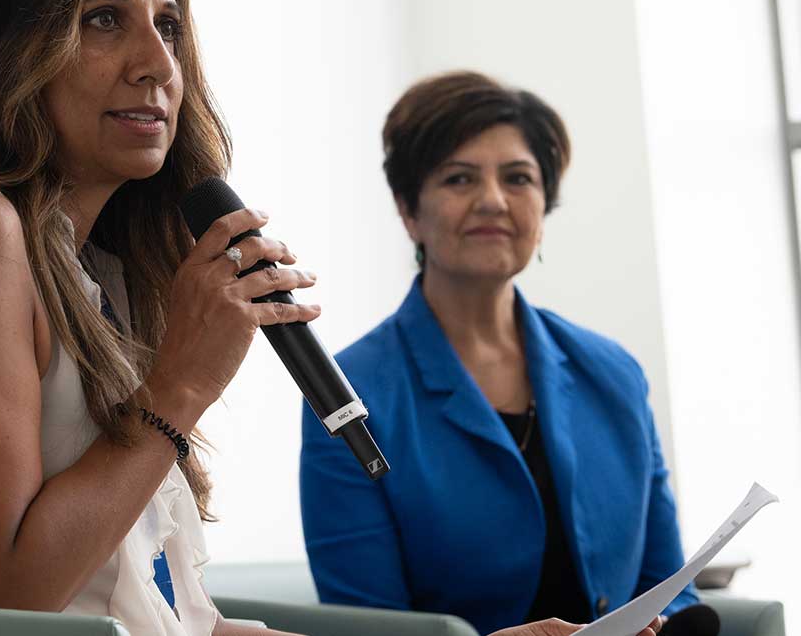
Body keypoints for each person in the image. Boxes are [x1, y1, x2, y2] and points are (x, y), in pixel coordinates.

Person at [0, 0, 663, 636]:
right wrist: (179, 386)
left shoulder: (100, 276)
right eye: (105, 18)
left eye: (170, 25)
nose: (158, 63)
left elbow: (154, 612)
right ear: (10, 50)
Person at [299, 71, 699, 636]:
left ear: (544, 203)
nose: (493, 201)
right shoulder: (348, 392)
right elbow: (369, 626)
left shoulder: (614, 373)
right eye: (460, 178)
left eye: (518, 178)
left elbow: (671, 585)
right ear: (409, 210)